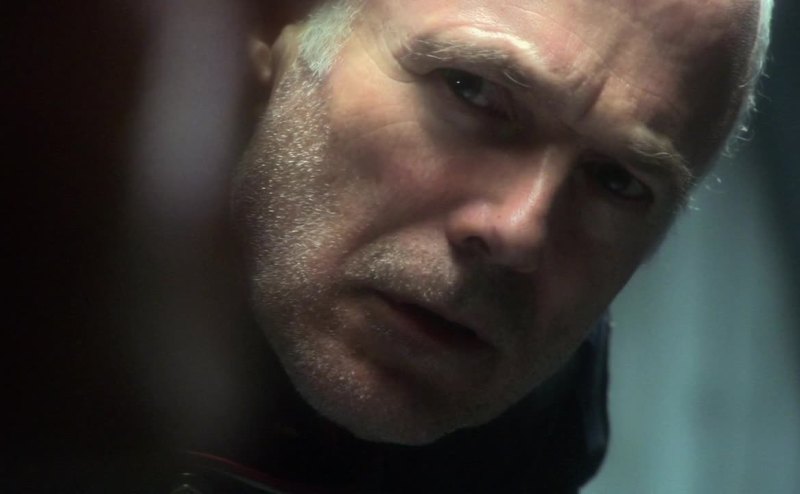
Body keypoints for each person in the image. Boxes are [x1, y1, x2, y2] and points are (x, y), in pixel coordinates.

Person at [158, 0, 774, 492]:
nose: (519, 231)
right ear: (270, 30)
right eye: (470, 89)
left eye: (617, 181)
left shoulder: (542, 431)